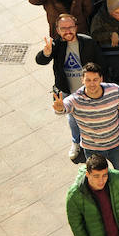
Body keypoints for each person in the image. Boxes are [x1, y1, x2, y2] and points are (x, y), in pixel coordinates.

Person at [35, 14, 105, 162]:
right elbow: (40, 60)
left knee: (92, 118)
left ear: (76, 27)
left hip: (89, 91)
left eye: (70, 27)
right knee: (72, 119)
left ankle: (94, 144)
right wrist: (46, 53)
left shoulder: (88, 42)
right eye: (63, 28)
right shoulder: (57, 45)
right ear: (58, 30)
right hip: (68, 91)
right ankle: (76, 142)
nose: (67, 31)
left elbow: (101, 64)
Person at [53, 62, 119, 174]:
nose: (92, 84)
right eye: (88, 80)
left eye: (95, 79)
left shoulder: (115, 91)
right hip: (92, 148)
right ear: (82, 80)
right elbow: (65, 106)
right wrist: (60, 108)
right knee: (96, 181)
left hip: (116, 145)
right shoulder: (76, 99)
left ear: (101, 79)